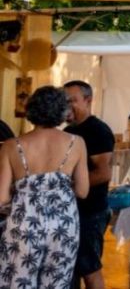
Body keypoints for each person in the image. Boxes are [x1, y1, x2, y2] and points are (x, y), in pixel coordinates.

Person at [0, 86, 89, 288]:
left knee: (18, 282)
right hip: (63, 224)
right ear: (62, 111)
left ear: (31, 110)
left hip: (23, 224)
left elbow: (1, 197)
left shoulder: (11, 145)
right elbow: (83, 191)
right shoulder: (77, 143)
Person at [64, 80, 115, 289]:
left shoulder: (98, 130)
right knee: (70, 268)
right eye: (64, 101)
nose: (68, 106)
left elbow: (103, 173)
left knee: (90, 269)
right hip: (71, 210)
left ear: (88, 100)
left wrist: (68, 189)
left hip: (90, 212)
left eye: (73, 100)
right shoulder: (68, 130)